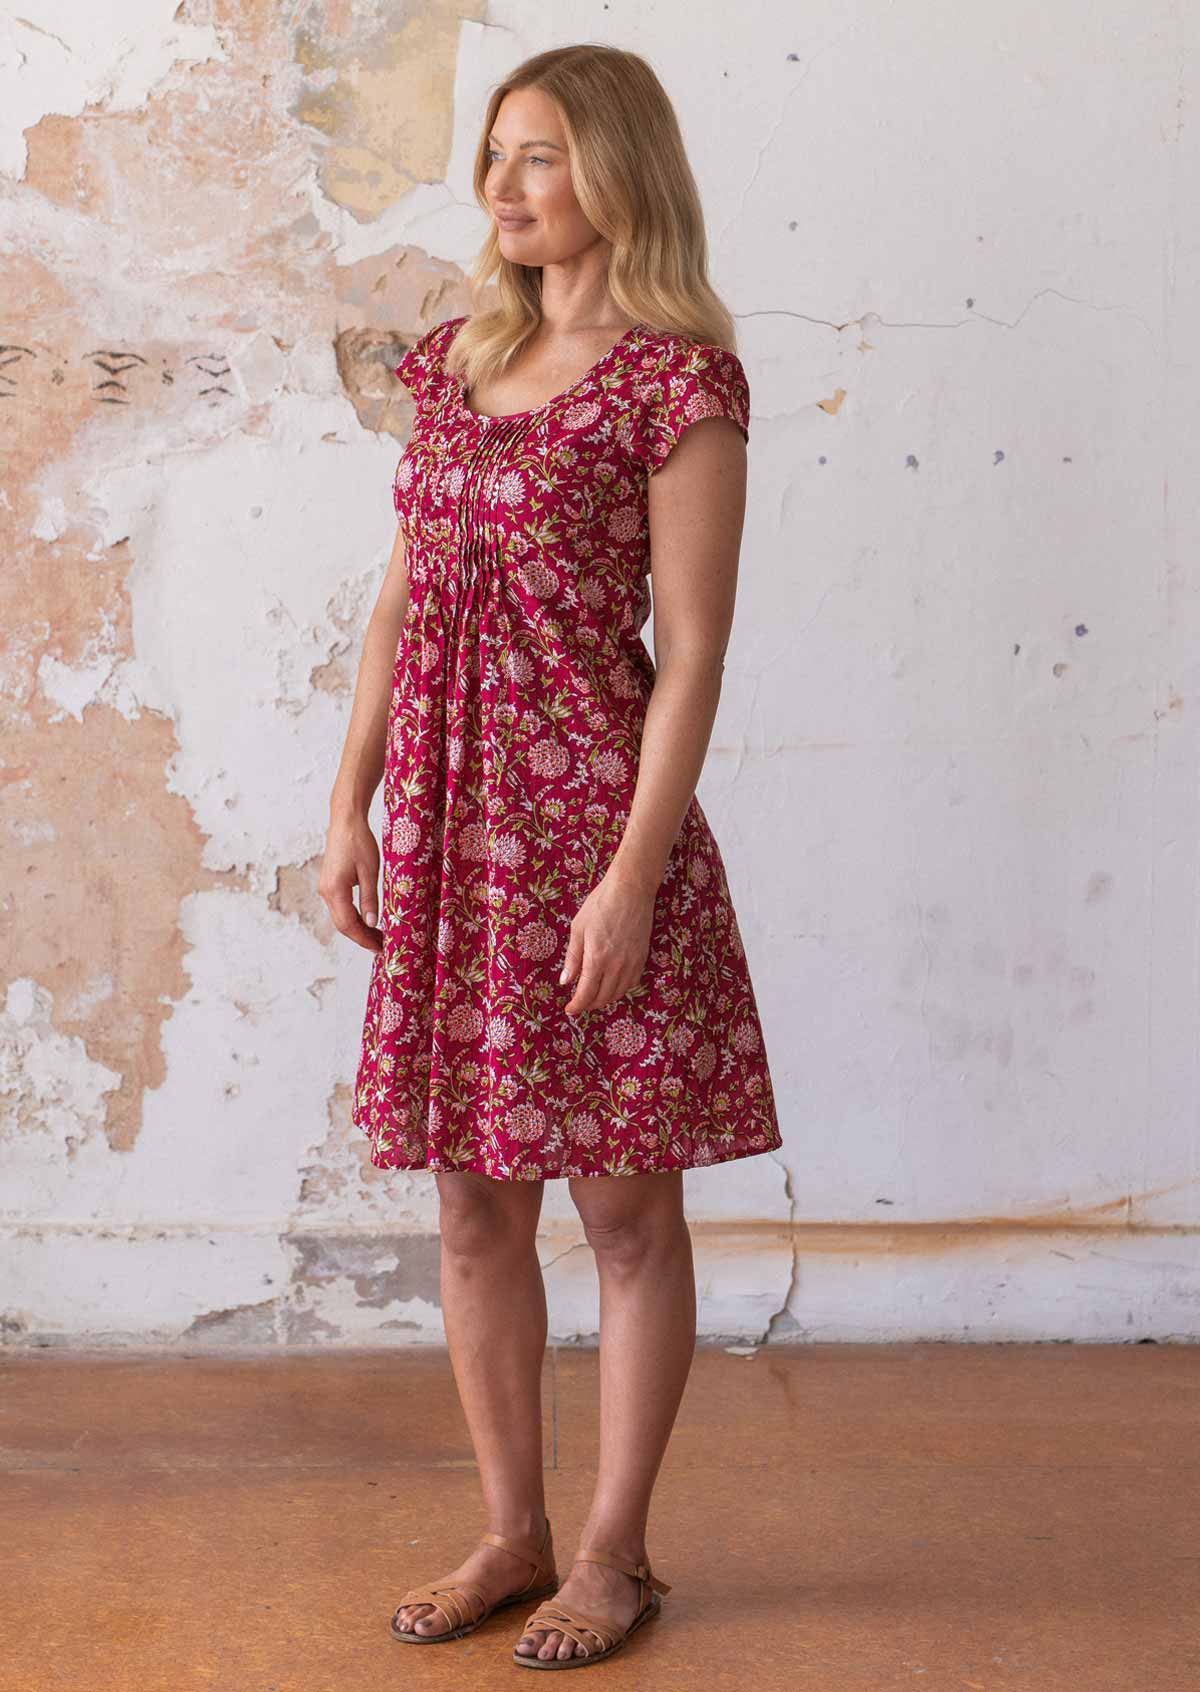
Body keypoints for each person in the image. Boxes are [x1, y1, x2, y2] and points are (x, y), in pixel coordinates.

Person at [320, 42, 783, 1670]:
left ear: (618, 175)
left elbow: (696, 648)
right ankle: (510, 1531)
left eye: (540, 158)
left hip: (591, 830)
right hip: (450, 836)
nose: (504, 185)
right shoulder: (450, 360)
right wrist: (349, 798)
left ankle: (614, 1553)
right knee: (471, 1208)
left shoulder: (680, 383)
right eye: (498, 153)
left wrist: (633, 877)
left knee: (629, 1209)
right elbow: (397, 600)